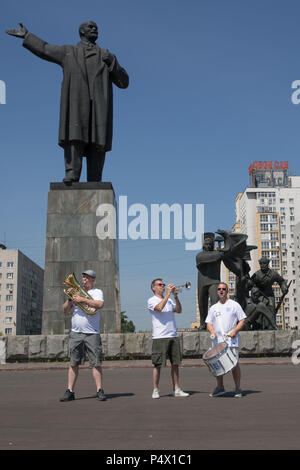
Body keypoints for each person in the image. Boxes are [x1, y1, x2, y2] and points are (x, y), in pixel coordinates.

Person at [6, 21, 129, 183]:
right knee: (75, 137)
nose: (94, 29)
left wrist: (113, 63)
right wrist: (27, 36)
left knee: (97, 142)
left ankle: (95, 179)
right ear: (81, 32)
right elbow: (45, 49)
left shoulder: (106, 56)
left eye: (96, 27)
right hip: (77, 104)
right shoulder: (68, 52)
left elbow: (124, 83)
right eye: (90, 27)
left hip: (99, 106)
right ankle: (72, 173)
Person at [60, 269, 105, 402]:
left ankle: (99, 390)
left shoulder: (97, 292)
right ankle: (70, 391)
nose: (84, 279)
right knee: (73, 363)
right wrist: (70, 299)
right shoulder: (76, 292)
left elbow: (99, 304)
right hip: (76, 333)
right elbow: (65, 310)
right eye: (83, 277)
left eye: (87, 277)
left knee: (96, 363)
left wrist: (82, 299)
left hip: (92, 333)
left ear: (93, 279)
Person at [147, 279, 189, 399]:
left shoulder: (170, 300)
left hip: (173, 335)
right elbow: (159, 308)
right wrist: (168, 294)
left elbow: (179, 310)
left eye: (163, 285)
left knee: (175, 364)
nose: (163, 286)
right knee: (158, 364)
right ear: (153, 288)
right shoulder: (151, 300)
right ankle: (155, 389)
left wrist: (175, 297)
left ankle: (176, 389)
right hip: (160, 336)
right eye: (160, 285)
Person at [205, 282, 246, 398]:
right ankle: (220, 387)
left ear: (227, 291)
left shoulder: (234, 305)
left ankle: (237, 388)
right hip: (217, 342)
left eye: (224, 289)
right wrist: (212, 331)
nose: (221, 291)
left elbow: (242, 320)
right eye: (219, 289)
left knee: (234, 364)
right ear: (217, 291)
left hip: (231, 341)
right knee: (217, 365)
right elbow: (208, 323)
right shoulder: (213, 307)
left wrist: (235, 331)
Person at [247, 257, 288, 329]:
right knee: (258, 308)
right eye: (261, 264)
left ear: (268, 264)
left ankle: (271, 327)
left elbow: (281, 281)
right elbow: (250, 284)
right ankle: (257, 326)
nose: (262, 265)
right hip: (259, 294)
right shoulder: (257, 274)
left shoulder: (273, 274)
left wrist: (284, 287)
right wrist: (249, 284)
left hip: (269, 294)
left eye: (264, 263)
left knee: (271, 307)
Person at [196, 233, 223, 330]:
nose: (208, 246)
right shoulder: (199, 255)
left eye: (210, 244)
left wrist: (220, 253)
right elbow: (207, 258)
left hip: (214, 281)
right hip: (202, 282)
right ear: (203, 245)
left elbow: (219, 256)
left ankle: (214, 323)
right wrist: (219, 254)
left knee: (215, 302)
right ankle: (203, 323)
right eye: (206, 244)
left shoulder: (218, 254)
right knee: (202, 304)